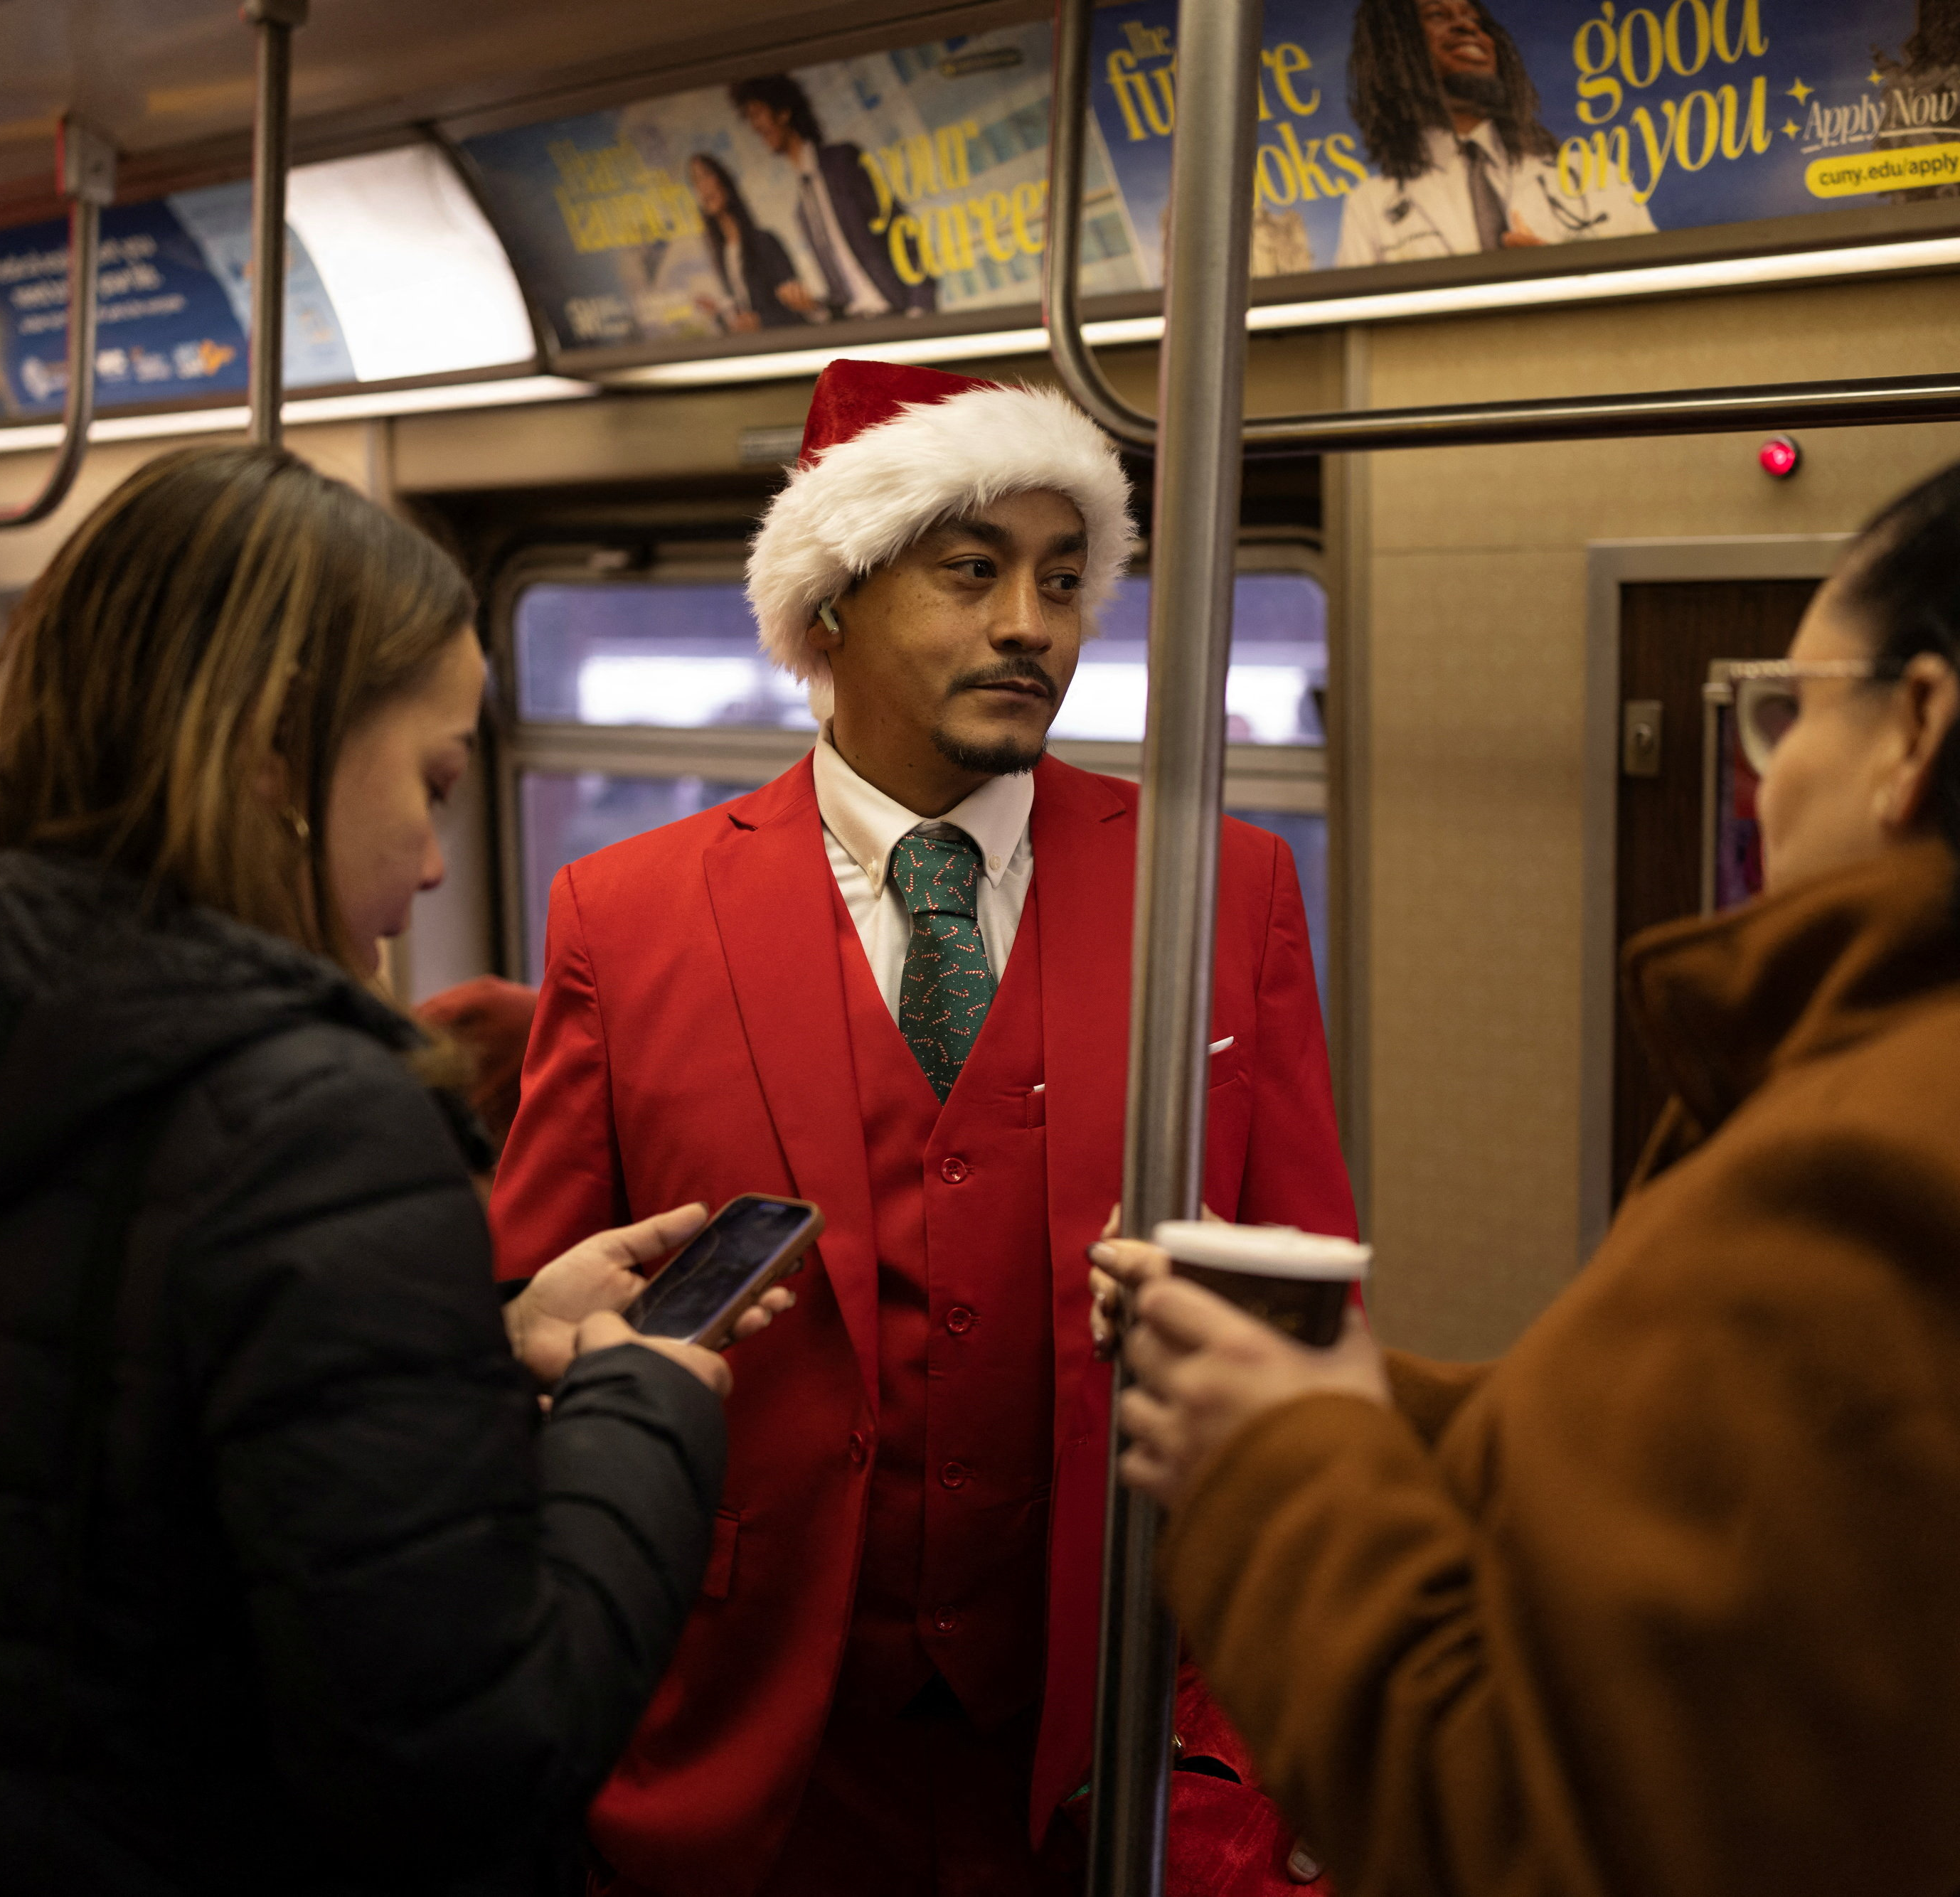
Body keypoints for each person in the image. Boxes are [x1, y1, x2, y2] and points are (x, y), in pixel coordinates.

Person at [1097, 439, 1960, 1894]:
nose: (1763, 783)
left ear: (1916, 728)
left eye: (1785, 715)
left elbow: (1550, 1840)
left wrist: (1269, 1463)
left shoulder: (1925, 1177)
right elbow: (1759, 1506)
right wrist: (1341, 1385)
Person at [0, 443, 789, 1896]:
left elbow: (114, 1467)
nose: (437, 865)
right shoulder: (305, 1118)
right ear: (272, 757)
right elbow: (470, 1755)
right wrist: (642, 1412)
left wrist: (473, 1347)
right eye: (431, 783)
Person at [491, 358, 1356, 1897]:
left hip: (1097, 1738)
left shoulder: (1222, 892)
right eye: (971, 570)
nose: (1031, 622)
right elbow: (530, 1306)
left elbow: (1310, 1311)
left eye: (1065, 578)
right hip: (756, 1738)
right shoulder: (622, 918)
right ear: (830, 603)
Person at [1333, 0, 1652, 269]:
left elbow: (1654, 295)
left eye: (1474, 18)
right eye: (1437, 15)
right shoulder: (1371, 207)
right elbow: (1361, 330)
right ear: (1394, 48)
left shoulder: (1592, 175)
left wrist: (1560, 278)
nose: (1467, 27)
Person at [728, 74, 937, 320]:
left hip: (898, 315)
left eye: (757, 114)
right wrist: (813, 306)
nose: (754, 127)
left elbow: (904, 233)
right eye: (749, 118)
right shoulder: (803, 211)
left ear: (783, 112)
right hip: (859, 328)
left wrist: (920, 309)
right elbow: (841, 295)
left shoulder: (842, 162)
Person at [689, 152, 812, 332]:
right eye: (695, 180)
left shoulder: (765, 243)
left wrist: (761, 322)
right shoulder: (723, 255)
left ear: (722, 180)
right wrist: (720, 315)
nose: (703, 186)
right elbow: (741, 316)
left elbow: (798, 309)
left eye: (706, 175)